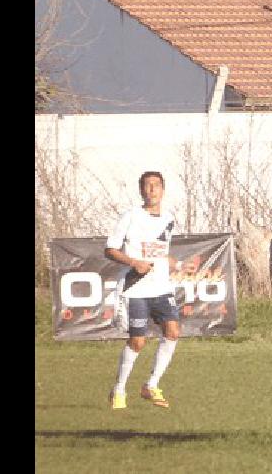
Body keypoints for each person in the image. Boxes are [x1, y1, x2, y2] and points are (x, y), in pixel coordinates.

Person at [105, 171, 184, 410]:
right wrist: (134, 263)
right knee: (138, 342)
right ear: (141, 190)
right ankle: (119, 389)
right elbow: (110, 249)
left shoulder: (169, 219)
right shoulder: (131, 216)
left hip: (161, 287)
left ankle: (151, 385)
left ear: (162, 190)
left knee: (173, 332)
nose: (151, 190)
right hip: (136, 289)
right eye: (147, 186)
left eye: (156, 185)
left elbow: (159, 252)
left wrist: (178, 264)